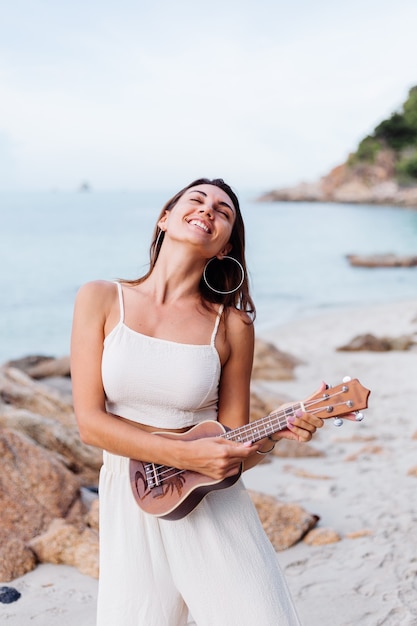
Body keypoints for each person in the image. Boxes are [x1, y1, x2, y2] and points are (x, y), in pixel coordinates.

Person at [70, 178, 324, 626]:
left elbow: (231, 452)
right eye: (197, 200)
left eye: (223, 212)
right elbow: (89, 424)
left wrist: (273, 435)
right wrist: (186, 453)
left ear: (225, 247)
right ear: (165, 218)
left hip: (213, 511)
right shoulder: (100, 298)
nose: (208, 210)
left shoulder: (233, 326)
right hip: (129, 501)